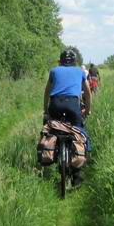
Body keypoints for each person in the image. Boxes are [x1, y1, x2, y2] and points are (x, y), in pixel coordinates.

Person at [44, 49, 92, 185]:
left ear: (60, 61)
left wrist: (45, 110)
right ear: (75, 61)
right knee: (78, 133)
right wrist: (87, 110)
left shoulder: (54, 71)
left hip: (55, 103)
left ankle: (52, 155)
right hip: (73, 105)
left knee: (52, 129)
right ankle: (77, 178)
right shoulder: (81, 72)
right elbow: (87, 93)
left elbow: (47, 91)